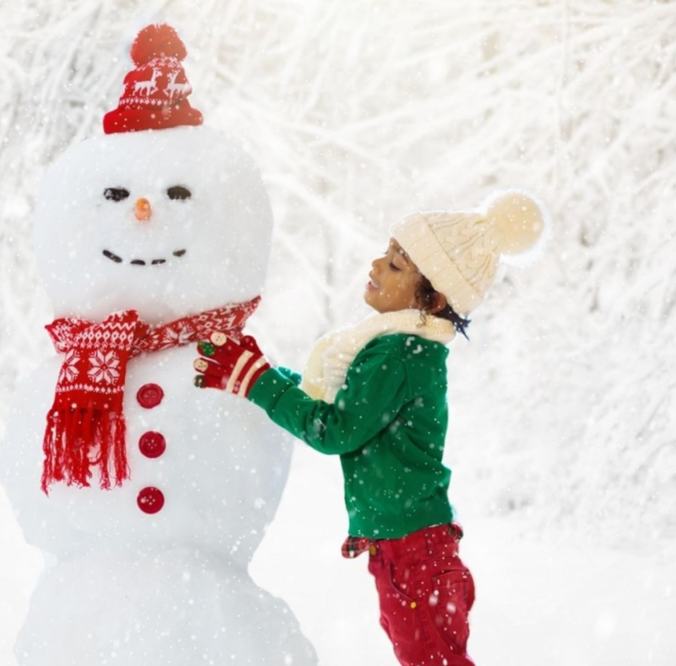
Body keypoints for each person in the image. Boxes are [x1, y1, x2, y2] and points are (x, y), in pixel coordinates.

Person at [192, 191, 549, 666]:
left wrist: (255, 380)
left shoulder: (398, 354)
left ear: (433, 298)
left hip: (415, 554)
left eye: (397, 265)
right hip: (413, 549)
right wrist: (264, 378)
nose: (378, 264)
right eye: (388, 252)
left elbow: (334, 428)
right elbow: (342, 409)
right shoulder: (407, 348)